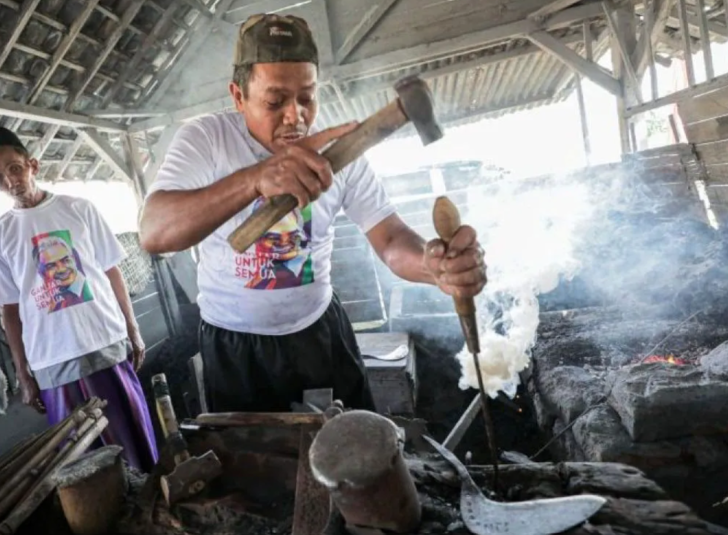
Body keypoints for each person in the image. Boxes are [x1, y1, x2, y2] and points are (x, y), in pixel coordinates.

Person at [139, 14, 487, 413]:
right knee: (257, 466)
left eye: (307, 97)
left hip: (319, 332)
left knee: (353, 457)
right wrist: (254, 179)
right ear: (238, 96)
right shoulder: (206, 140)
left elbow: (390, 239)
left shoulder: (341, 151)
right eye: (275, 101)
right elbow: (155, 232)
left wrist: (435, 267)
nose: (296, 116)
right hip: (235, 344)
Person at [0, 124, 158, 471]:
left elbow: (112, 271)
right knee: (80, 459)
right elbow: (8, 311)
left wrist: (132, 329)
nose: (10, 181)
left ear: (33, 165)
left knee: (133, 439)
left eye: (14, 168)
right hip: (52, 359)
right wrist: (24, 374)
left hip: (104, 340)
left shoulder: (79, 209)